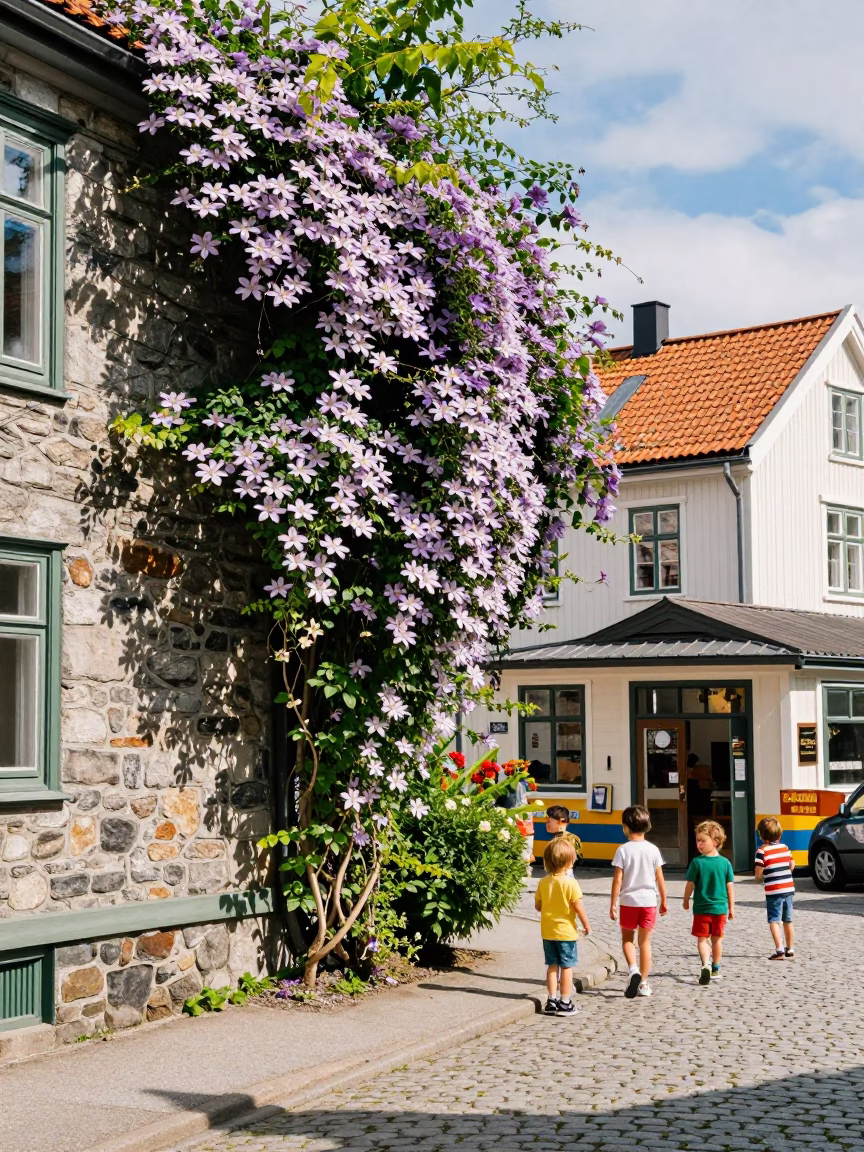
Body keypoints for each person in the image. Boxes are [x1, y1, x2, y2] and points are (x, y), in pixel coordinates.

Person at [609, 805, 667, 999]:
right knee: (645, 943)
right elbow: (659, 878)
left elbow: (618, 879)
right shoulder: (653, 850)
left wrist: (613, 903)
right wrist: (664, 900)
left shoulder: (623, 850)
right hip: (649, 902)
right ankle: (643, 983)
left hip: (628, 901)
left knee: (627, 939)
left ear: (625, 827)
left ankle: (633, 969)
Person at [535, 837, 592, 1015]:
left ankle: (551, 1000)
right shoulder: (570, 883)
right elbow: (578, 906)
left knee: (552, 966)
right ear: (569, 861)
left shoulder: (543, 882)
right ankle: (565, 1001)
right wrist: (586, 924)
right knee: (567, 967)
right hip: (566, 933)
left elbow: (538, 906)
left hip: (548, 931)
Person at [682, 820, 735, 985]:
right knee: (717, 940)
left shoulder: (697, 863)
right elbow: (730, 887)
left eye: (702, 840)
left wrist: (685, 900)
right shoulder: (725, 863)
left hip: (701, 909)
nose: (699, 844)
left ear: (715, 842)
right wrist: (731, 908)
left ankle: (705, 964)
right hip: (720, 909)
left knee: (702, 939)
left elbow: (690, 884)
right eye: (697, 840)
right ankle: (715, 968)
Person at [754, 817, 796, 960]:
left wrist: (760, 877)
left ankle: (779, 950)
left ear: (761, 835)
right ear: (780, 834)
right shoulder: (785, 848)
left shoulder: (762, 851)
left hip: (774, 891)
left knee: (774, 920)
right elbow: (791, 865)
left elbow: (758, 873)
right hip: (789, 889)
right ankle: (790, 948)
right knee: (787, 920)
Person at [545, 804, 583, 874]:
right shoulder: (570, 838)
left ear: (560, 821)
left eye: (549, 821)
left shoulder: (568, 840)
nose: (546, 824)